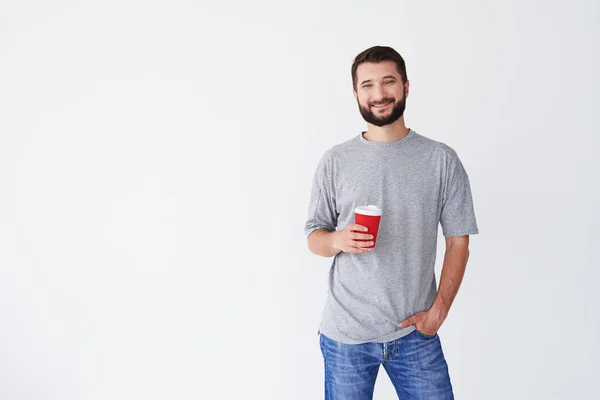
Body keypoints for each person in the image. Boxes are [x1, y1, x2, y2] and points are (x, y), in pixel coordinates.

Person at [304, 45, 479, 400]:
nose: (379, 94)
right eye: (367, 85)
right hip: (346, 335)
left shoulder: (440, 160)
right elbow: (314, 236)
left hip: (415, 333)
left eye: (388, 82)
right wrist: (338, 240)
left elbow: (458, 242)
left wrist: (438, 312)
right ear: (356, 93)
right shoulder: (335, 160)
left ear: (406, 87)